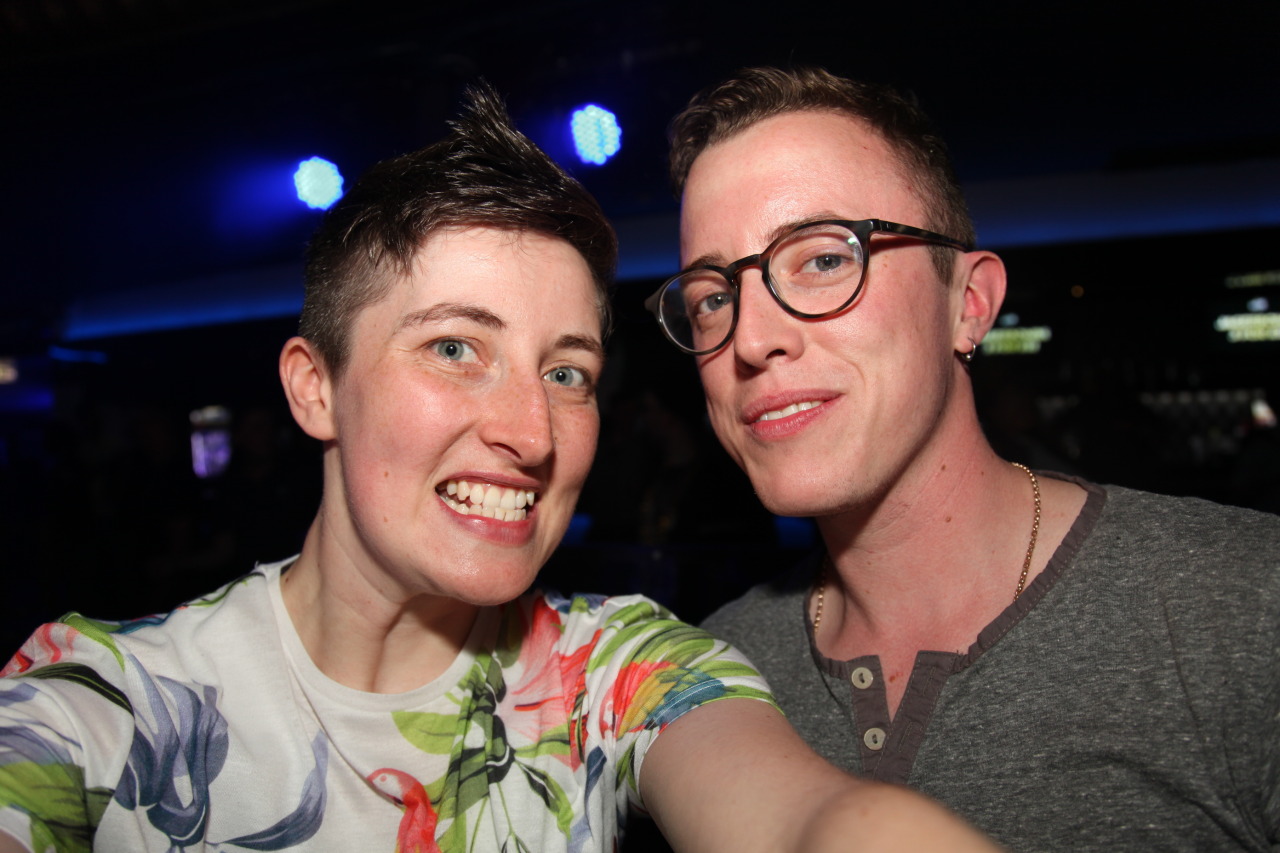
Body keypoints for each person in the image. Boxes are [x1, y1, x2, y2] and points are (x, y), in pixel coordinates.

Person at [0, 85, 1000, 853]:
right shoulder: (105, 702)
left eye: (566, 370)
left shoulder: (618, 670)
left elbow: (805, 822)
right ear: (314, 390)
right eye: (452, 348)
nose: (531, 429)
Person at [647, 66, 1280, 851]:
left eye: (823, 259)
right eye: (713, 295)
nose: (749, 336)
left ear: (968, 303)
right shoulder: (708, 675)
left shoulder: (1245, 611)